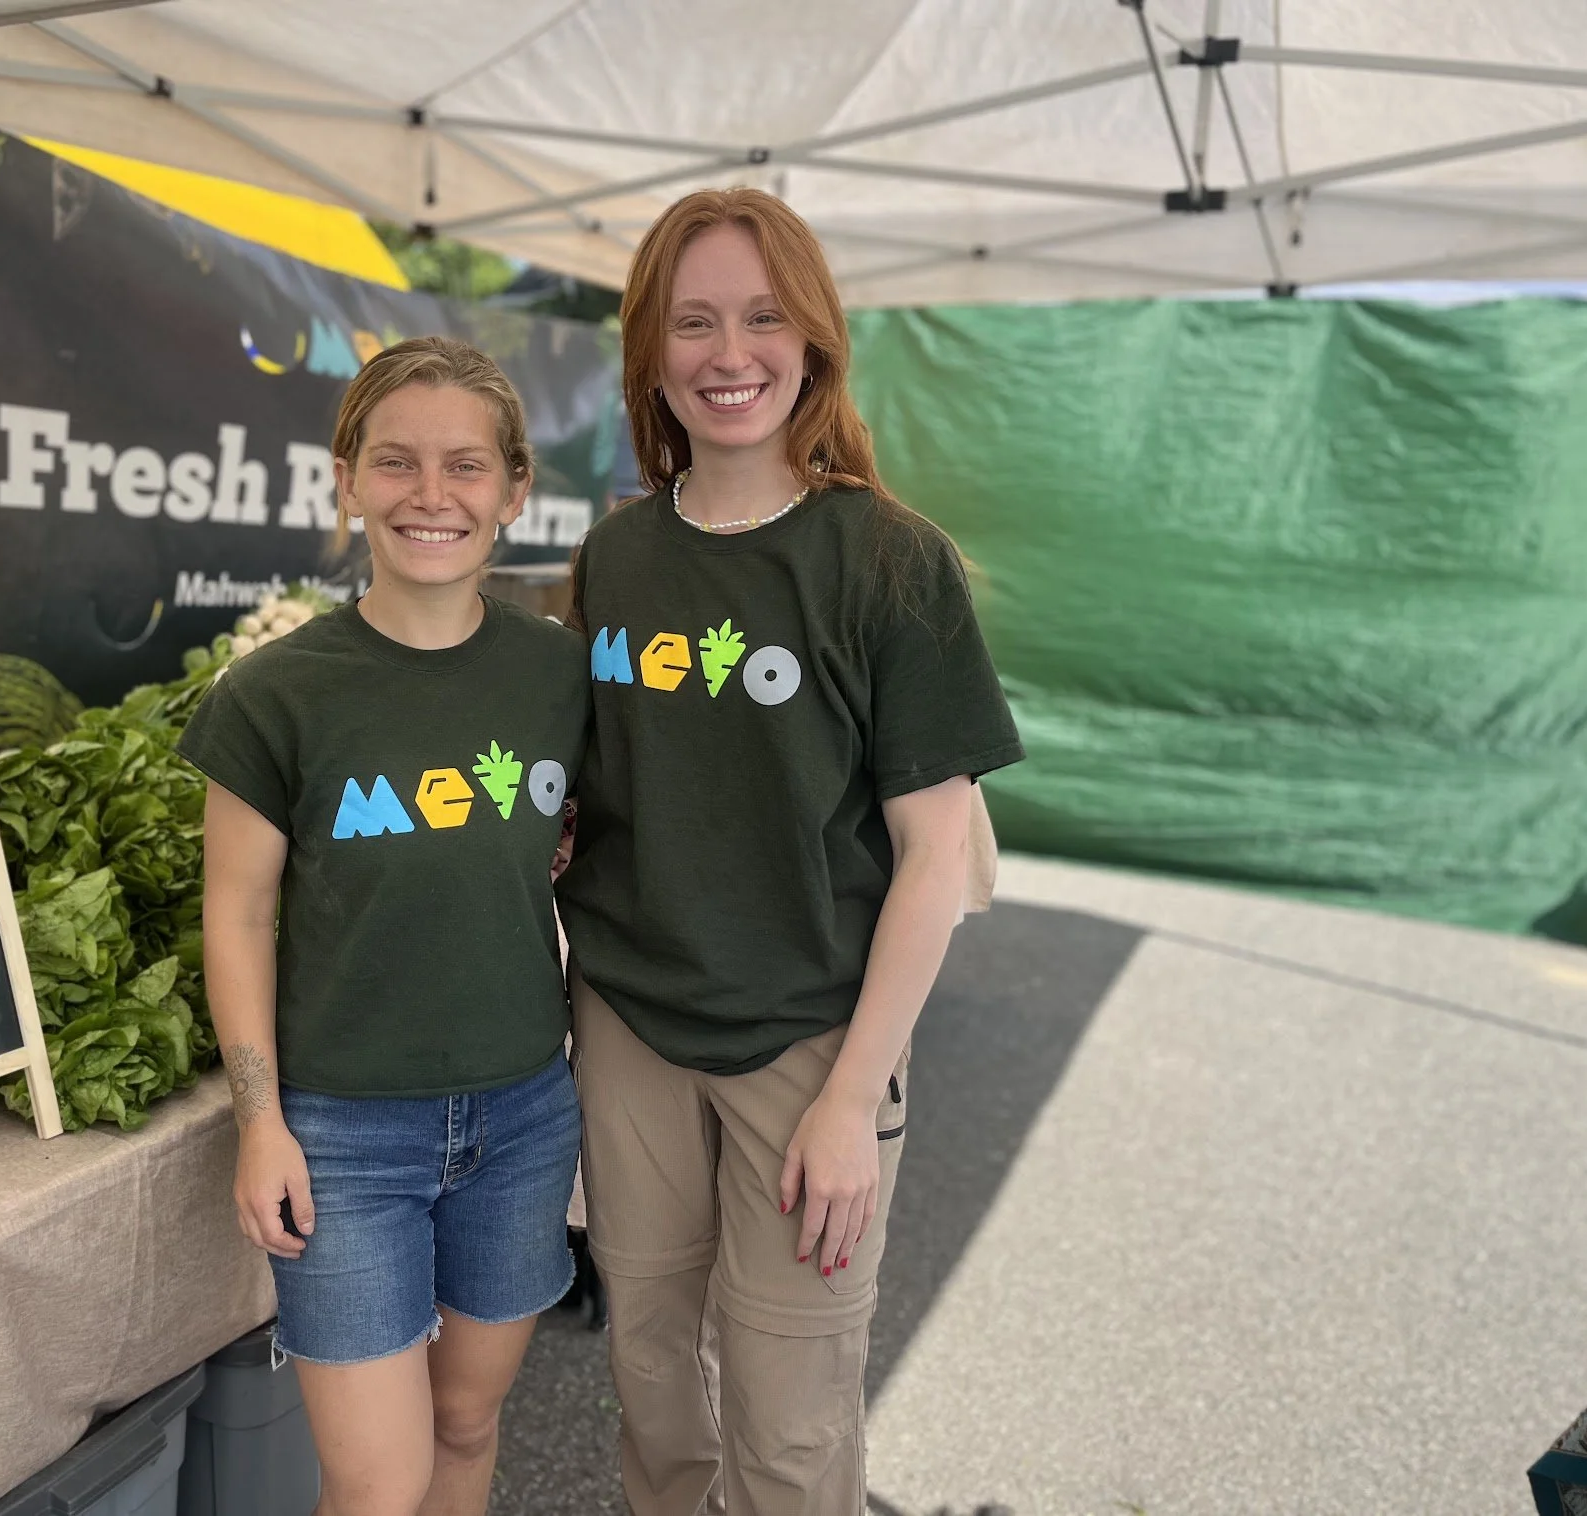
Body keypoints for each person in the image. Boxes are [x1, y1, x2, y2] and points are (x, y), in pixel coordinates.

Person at [558, 188, 1024, 1515]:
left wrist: (848, 1099)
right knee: (651, 1389)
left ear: (812, 336)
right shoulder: (614, 561)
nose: (728, 353)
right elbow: (610, 792)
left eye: (763, 317)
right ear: (649, 349)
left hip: (812, 1043)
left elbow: (937, 856)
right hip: (631, 1026)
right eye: (691, 321)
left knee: (790, 1427)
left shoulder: (889, 562)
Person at [183, 336, 588, 1516]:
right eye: (397, 461)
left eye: (467, 466)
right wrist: (262, 1121)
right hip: (346, 1138)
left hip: (521, 1115)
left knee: (465, 1427)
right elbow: (237, 912)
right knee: (377, 1483)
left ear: (514, 491)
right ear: (347, 477)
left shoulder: (560, 677)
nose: (432, 494)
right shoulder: (274, 695)